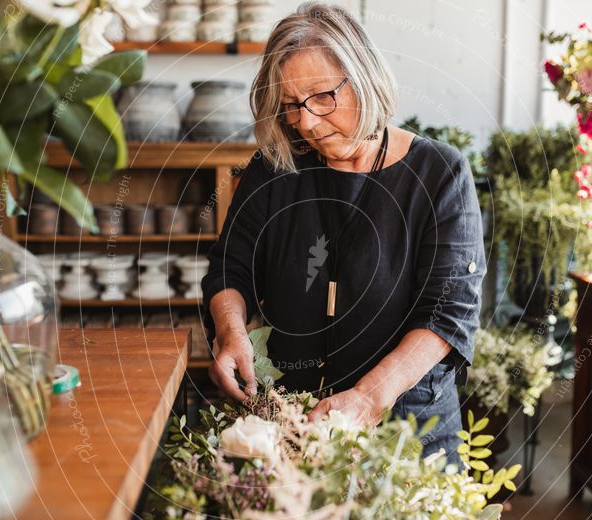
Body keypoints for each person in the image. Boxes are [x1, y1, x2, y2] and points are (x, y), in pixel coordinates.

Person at [201, 2, 485, 462]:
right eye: (292, 105)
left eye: (322, 97)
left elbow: (448, 312)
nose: (306, 121)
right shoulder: (275, 169)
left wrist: (371, 396)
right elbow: (231, 267)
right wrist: (231, 330)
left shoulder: (439, 173)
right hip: (292, 423)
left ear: (366, 79)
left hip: (409, 432)